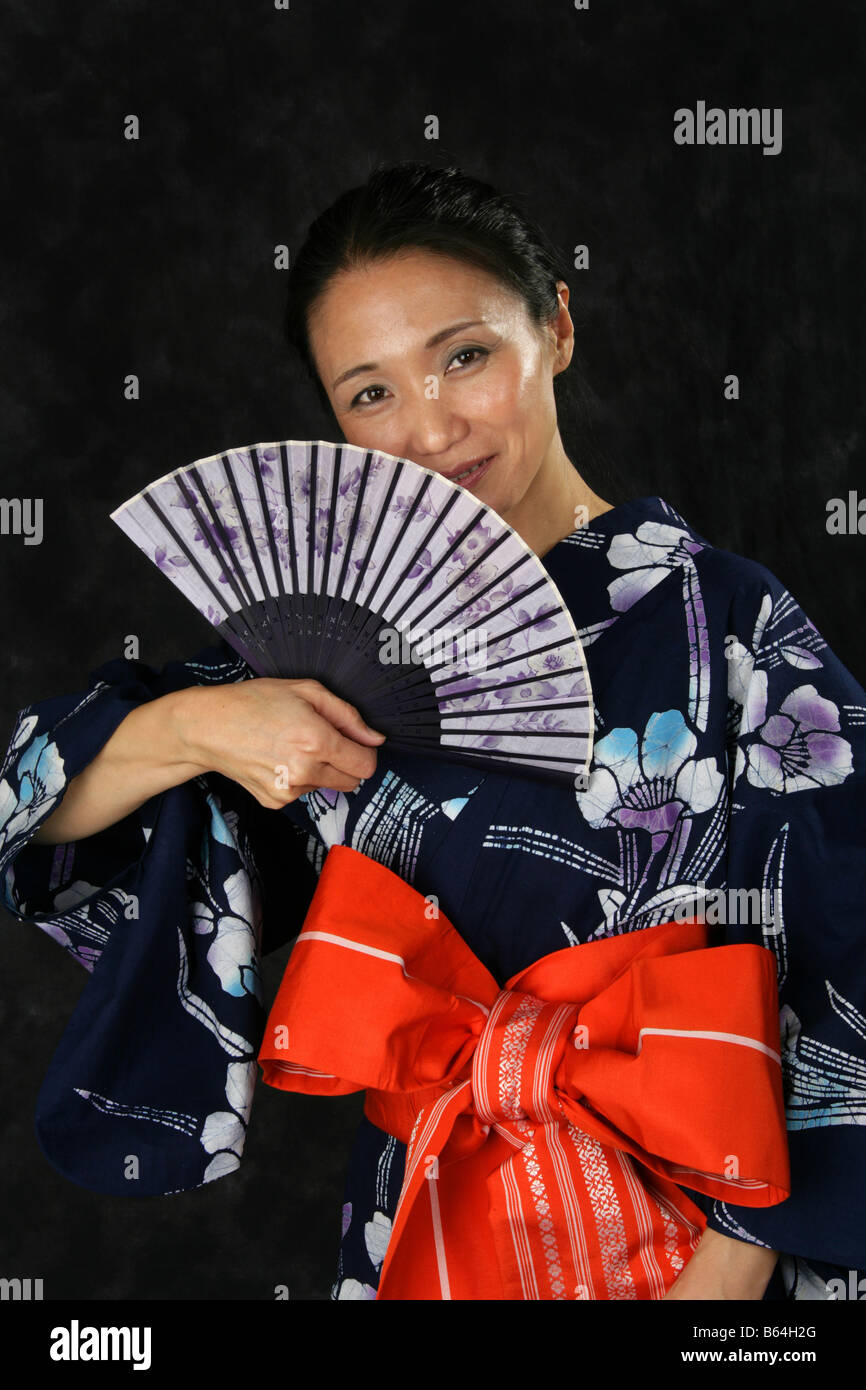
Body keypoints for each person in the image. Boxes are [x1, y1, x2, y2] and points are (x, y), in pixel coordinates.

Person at [1, 160, 864, 1301]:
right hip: (429, 1203)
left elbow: (846, 971)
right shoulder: (336, 643)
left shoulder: (733, 626)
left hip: (702, 1237)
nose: (428, 428)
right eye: (369, 394)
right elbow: (42, 810)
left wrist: (728, 1266)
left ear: (555, 324)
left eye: (464, 356)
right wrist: (200, 725)